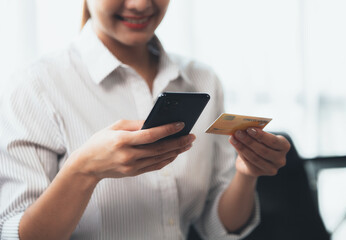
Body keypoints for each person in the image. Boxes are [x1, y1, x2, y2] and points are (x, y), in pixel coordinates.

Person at [0, 0, 291, 239]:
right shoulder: (33, 86)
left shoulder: (202, 79)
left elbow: (217, 227)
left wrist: (248, 173)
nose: (140, 5)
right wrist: (83, 171)